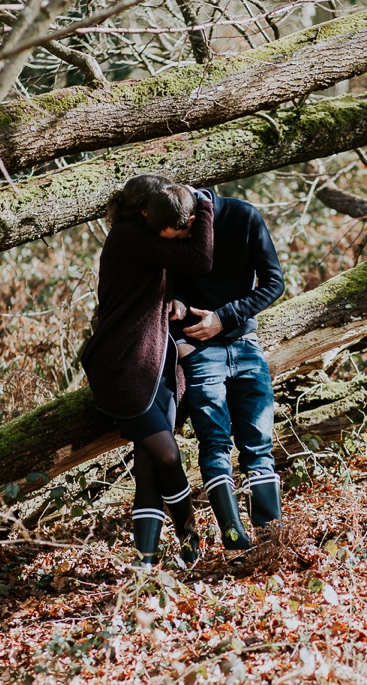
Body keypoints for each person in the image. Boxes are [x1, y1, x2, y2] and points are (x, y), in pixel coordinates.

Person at [80, 175, 214, 567]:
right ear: (144, 211)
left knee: (148, 462)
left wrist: (173, 297)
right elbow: (200, 259)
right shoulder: (127, 237)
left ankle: (147, 557)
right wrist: (202, 204)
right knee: (168, 455)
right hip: (122, 369)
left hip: (154, 364)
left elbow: (161, 275)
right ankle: (190, 537)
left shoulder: (142, 239)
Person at [168, 188, 285, 551]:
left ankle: (270, 540)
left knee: (258, 444)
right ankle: (235, 539)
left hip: (245, 345)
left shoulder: (244, 217)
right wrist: (182, 344)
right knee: (214, 443)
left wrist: (225, 317)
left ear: (193, 221)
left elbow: (274, 283)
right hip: (200, 353)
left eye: (185, 237)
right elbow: (162, 292)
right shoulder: (166, 224)